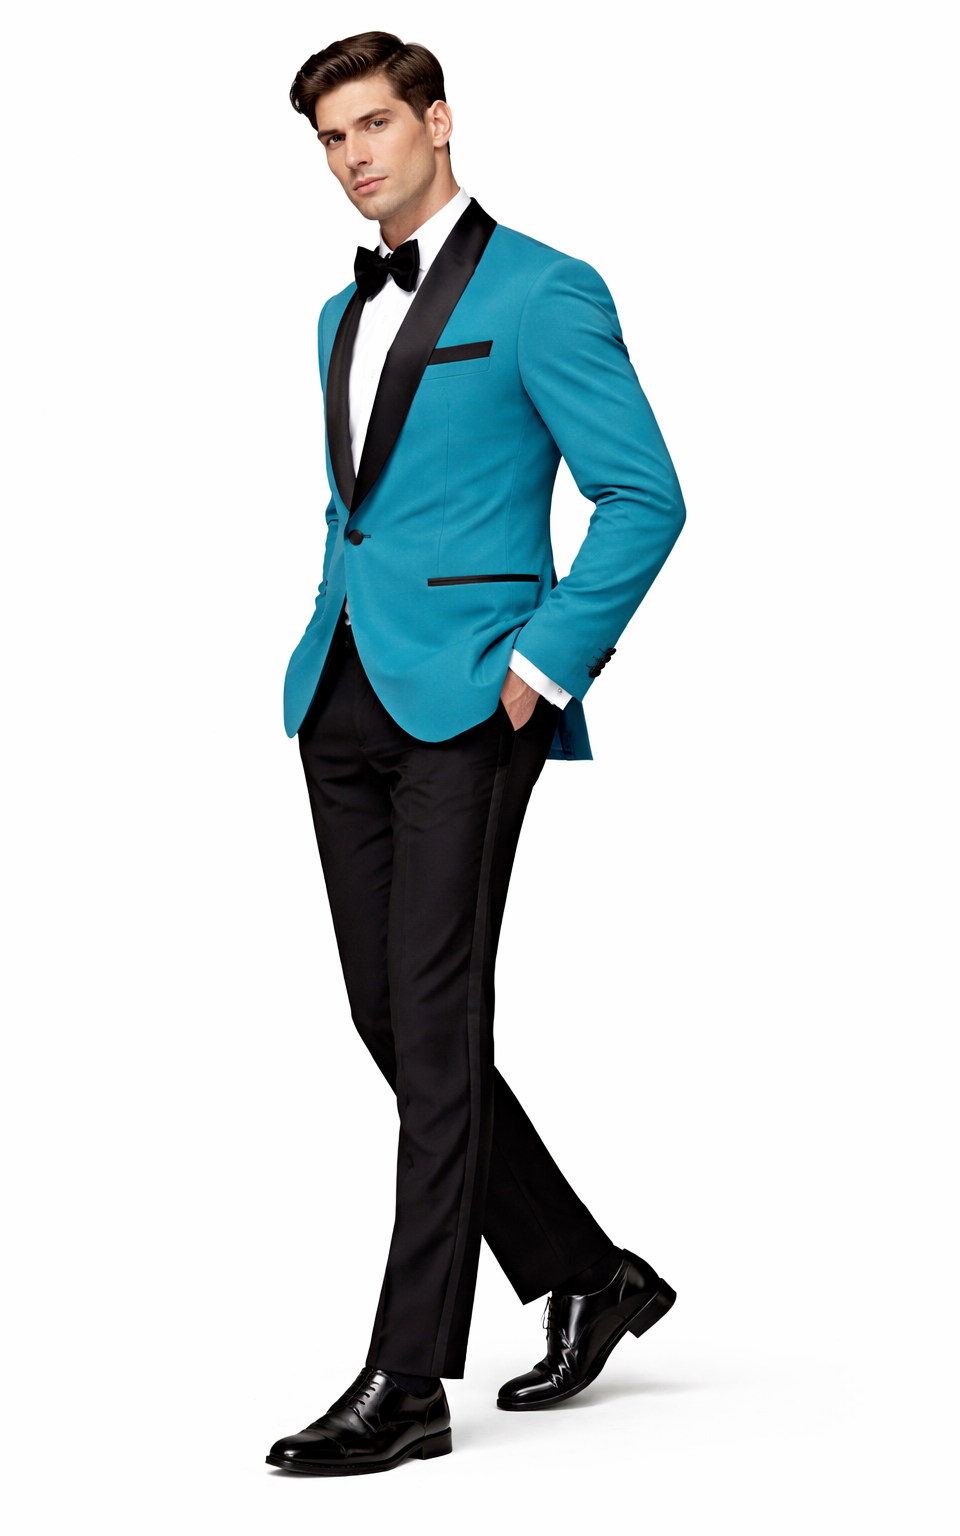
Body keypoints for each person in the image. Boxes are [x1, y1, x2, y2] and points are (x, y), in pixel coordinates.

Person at [267, 31, 685, 1476]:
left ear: (438, 122)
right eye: (331, 138)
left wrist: (540, 668)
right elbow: (368, 507)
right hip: (342, 695)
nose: (354, 157)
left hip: (471, 700)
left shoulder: (544, 289)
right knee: (390, 1019)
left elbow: (645, 496)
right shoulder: (338, 312)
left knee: (438, 1026)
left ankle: (407, 1378)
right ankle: (589, 1273)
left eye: (375, 125)